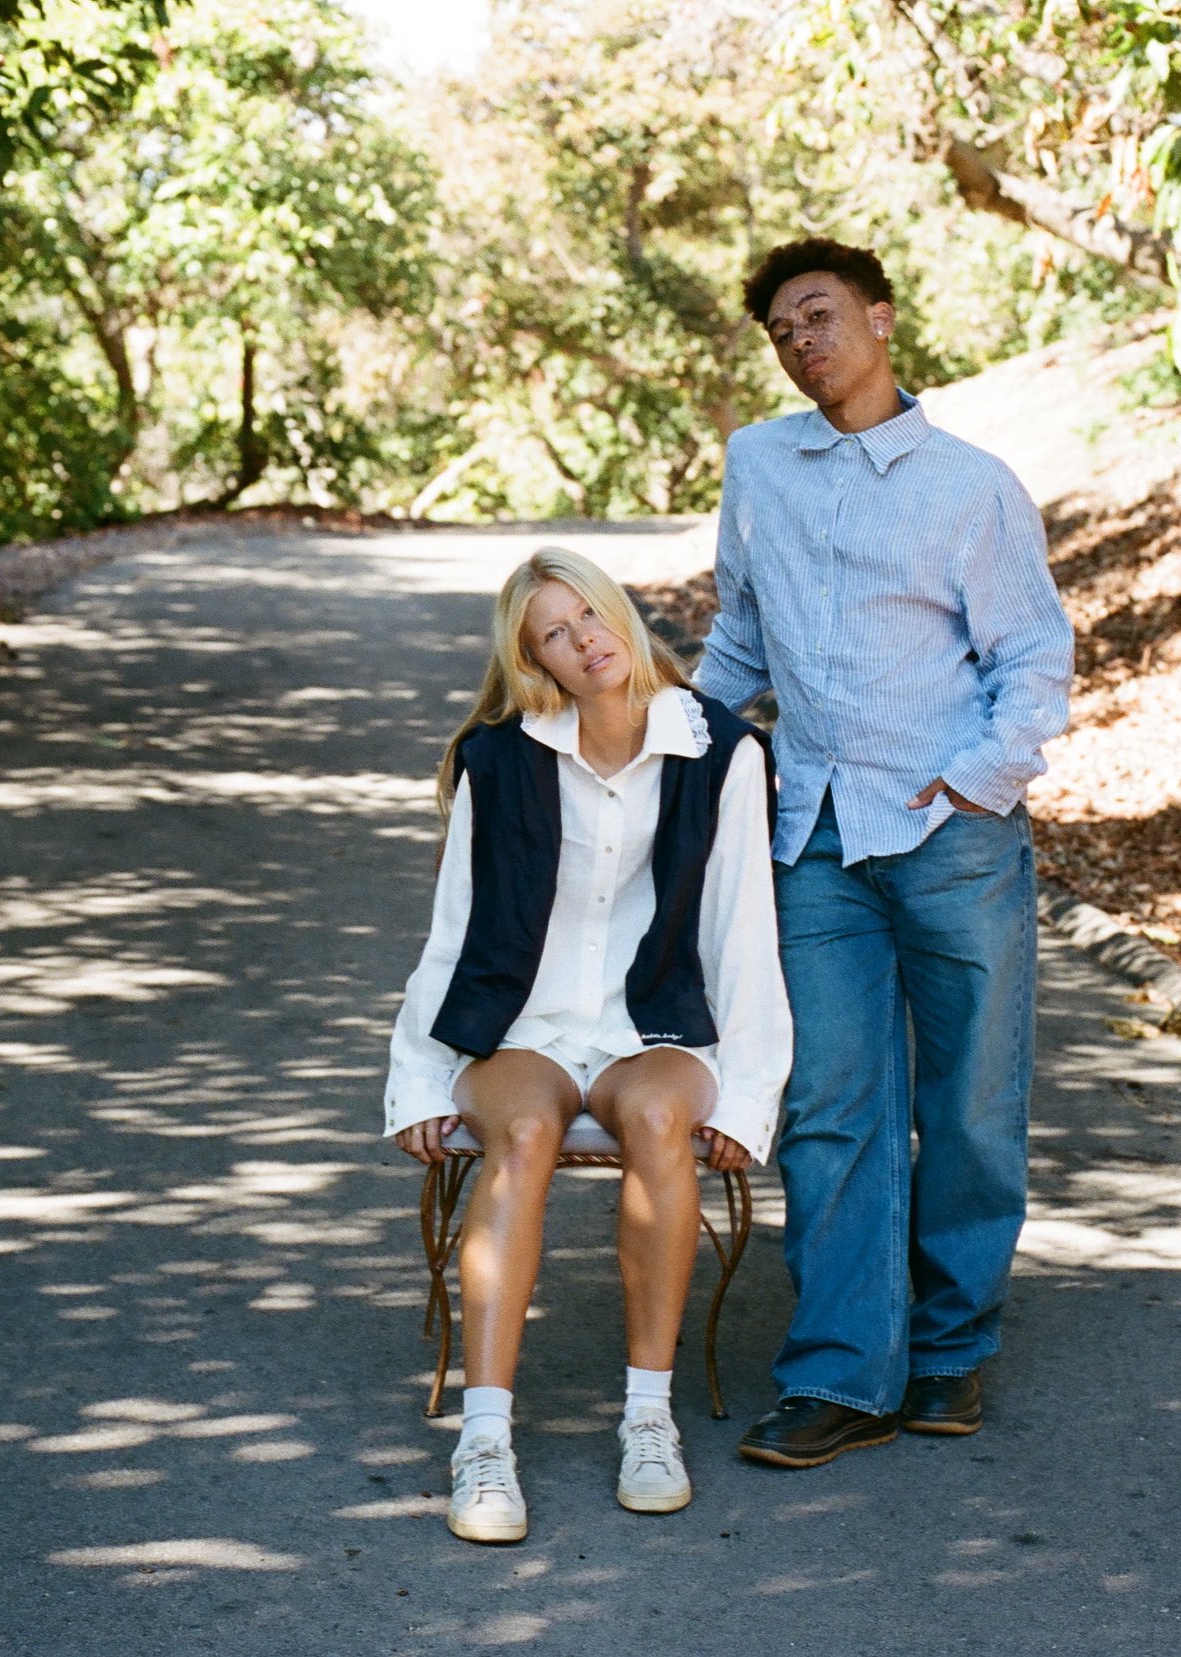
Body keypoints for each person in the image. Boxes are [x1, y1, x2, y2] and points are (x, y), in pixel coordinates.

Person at [698, 238, 1074, 1469]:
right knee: (829, 1106)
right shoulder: (758, 463)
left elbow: (1031, 658)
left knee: (967, 1104)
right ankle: (845, 1372)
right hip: (809, 837)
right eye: (779, 330)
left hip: (946, 837)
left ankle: (952, 1352)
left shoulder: (970, 485)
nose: (801, 341)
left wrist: (974, 781)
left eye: (818, 315)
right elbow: (740, 643)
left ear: (879, 318)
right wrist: (671, 755)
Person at [385, 547, 791, 1544]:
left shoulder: (723, 752)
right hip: (522, 1023)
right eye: (554, 636)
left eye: (591, 616)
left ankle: (646, 1419)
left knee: (658, 1114)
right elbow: (452, 927)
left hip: (655, 1022)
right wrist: (420, 1079)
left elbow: (744, 931)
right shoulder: (500, 757)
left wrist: (745, 1096)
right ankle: (484, 1443)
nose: (585, 642)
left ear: (620, 613)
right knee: (520, 1130)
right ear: (537, 665)